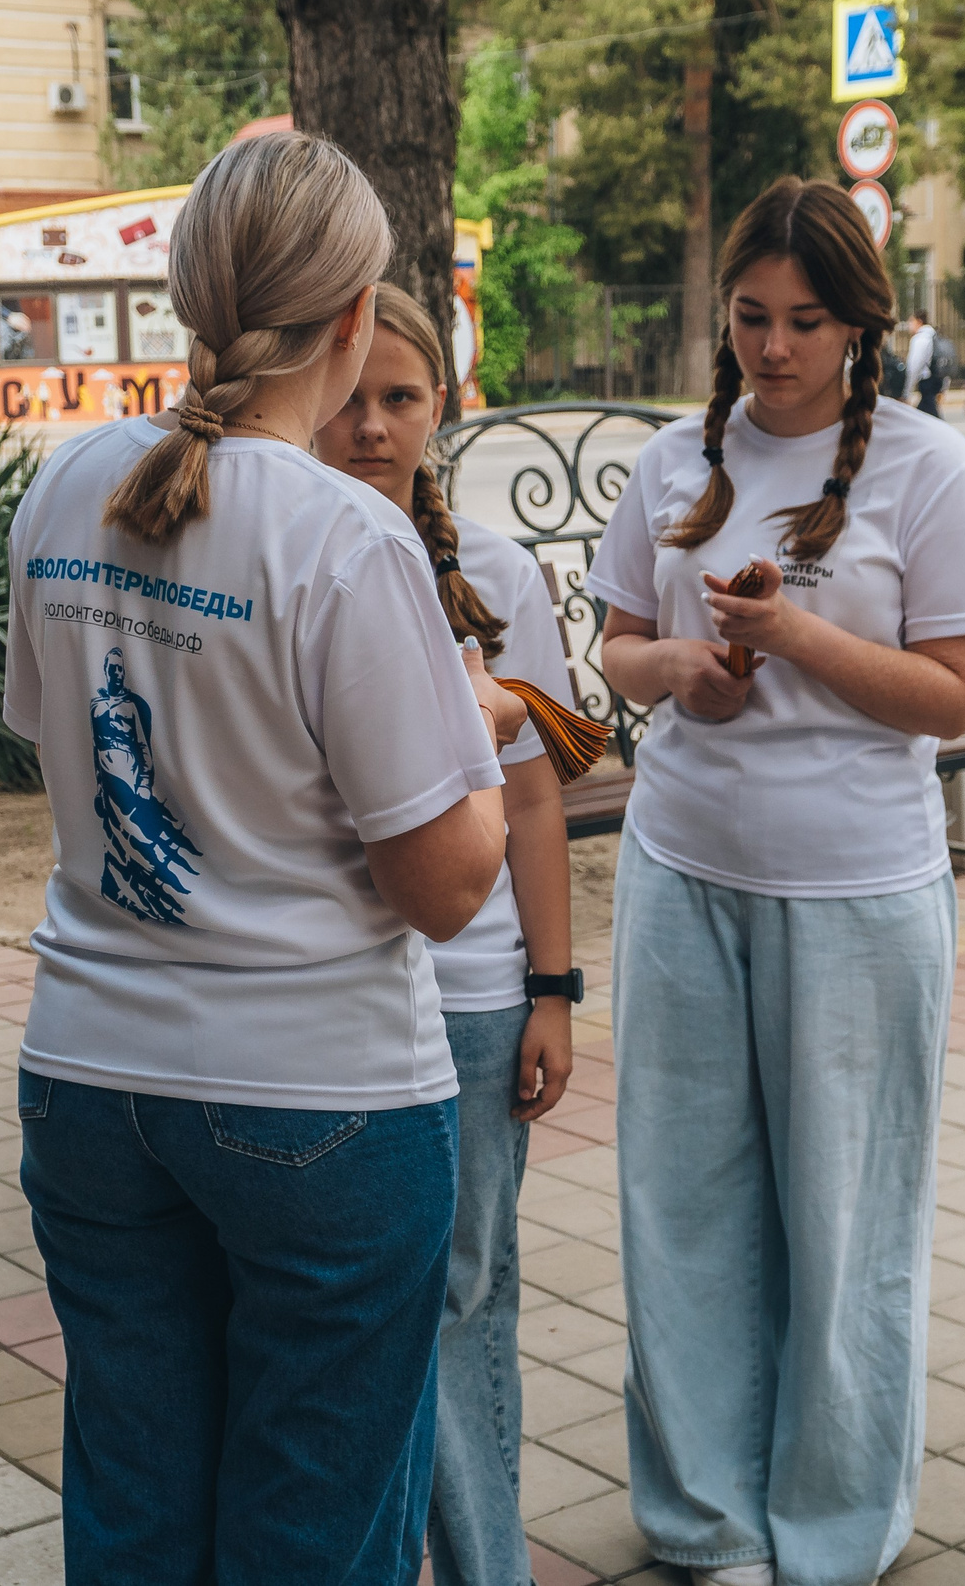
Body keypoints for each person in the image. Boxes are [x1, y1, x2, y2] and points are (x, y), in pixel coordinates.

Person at [0, 132, 530, 1584]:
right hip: (319, 1100)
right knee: (316, 1528)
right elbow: (440, 885)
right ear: (358, 319)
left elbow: (67, 752)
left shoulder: (62, 490)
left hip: (93, 1078)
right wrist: (469, 735)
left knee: (133, 1500)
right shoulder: (349, 538)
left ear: (187, 298)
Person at [587, 178, 965, 1586]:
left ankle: (833, 1531)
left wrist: (797, 635)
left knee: (846, 1219)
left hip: (858, 892)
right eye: (752, 316)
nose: (775, 346)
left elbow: (952, 699)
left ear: (861, 323)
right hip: (680, 869)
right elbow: (619, 651)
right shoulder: (672, 460)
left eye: (807, 321)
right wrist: (686, 675)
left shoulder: (924, 465)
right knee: (683, 1202)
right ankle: (705, 1519)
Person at [311, 283, 577, 1586]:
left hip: (471, 998)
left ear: (441, 405)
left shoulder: (498, 570)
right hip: (327, 1000)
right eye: (351, 396)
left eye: (400, 398)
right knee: (354, 1313)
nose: (371, 426)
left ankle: (486, 1562)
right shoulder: (281, 552)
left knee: (467, 1293)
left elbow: (534, 795)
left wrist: (553, 987)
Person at [907, 309, 945, 417]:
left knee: (928, 417)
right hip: (937, 380)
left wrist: (907, 391)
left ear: (919, 322)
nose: (909, 325)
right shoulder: (935, 336)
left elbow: (914, 366)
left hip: (926, 382)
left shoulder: (920, 339)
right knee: (925, 415)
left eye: (911, 322)